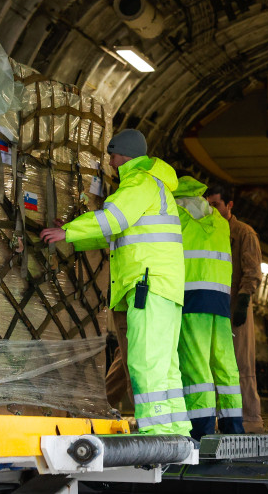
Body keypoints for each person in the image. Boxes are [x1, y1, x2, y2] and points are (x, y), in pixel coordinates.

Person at [40, 129, 190, 436]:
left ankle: (156, 432)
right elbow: (114, 231)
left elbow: (113, 220)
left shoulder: (139, 182)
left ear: (124, 155)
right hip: (164, 287)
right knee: (165, 364)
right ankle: (176, 428)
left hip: (147, 283)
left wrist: (67, 234)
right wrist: (72, 229)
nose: (109, 161)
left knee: (145, 360)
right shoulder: (155, 184)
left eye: (112, 154)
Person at [174, 176, 244, 439]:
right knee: (225, 364)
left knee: (196, 366)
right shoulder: (218, 220)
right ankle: (233, 426)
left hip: (191, 296)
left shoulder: (176, 215)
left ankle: (201, 429)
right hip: (220, 300)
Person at [206, 184, 265, 433]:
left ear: (229, 205)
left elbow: (252, 271)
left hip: (236, 306)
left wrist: (242, 301)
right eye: (208, 205)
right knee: (214, 365)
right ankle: (223, 418)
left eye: (216, 205)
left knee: (242, 364)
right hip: (213, 308)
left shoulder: (243, 233)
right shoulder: (207, 231)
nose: (212, 210)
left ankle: (251, 418)